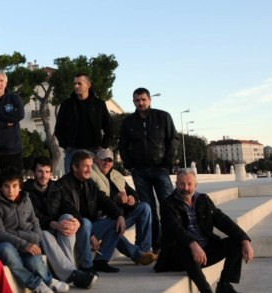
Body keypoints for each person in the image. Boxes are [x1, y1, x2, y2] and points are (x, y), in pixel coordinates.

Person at [155, 169, 254, 293]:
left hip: (204, 251)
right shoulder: (168, 204)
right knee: (185, 250)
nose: (186, 188)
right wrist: (193, 244)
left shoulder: (203, 200)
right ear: (176, 184)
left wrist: (245, 240)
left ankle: (224, 287)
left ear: (196, 185)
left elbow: (222, 220)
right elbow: (175, 230)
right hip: (178, 256)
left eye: (189, 184)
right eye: (182, 184)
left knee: (236, 243)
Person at [0, 168, 70, 293]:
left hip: (24, 241)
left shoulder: (26, 199)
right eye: (6, 186)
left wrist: (35, 239)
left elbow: (34, 221)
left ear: (20, 187)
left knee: (34, 260)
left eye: (14, 186)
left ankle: (49, 281)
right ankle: (35, 284)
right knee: (8, 251)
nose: (11, 190)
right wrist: (25, 244)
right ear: (1, 187)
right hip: (0, 244)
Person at [119, 88, 179, 252]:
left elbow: (173, 140)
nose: (141, 103)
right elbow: (123, 145)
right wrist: (130, 165)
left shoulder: (163, 116)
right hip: (139, 171)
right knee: (149, 209)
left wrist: (167, 163)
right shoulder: (128, 122)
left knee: (169, 207)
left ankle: (172, 243)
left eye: (143, 99)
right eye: (137, 100)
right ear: (133, 102)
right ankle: (156, 245)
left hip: (160, 168)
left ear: (150, 100)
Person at [24, 157, 97, 288]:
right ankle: (73, 273)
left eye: (47, 172)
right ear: (34, 172)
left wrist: (76, 221)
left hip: (58, 229)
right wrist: (54, 224)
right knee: (44, 234)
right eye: (40, 171)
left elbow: (69, 207)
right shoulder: (26, 191)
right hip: (40, 230)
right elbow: (34, 216)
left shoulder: (57, 188)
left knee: (68, 217)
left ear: (51, 174)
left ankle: (71, 273)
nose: (43, 176)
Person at [55, 150, 125, 273]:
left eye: (91, 166)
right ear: (75, 167)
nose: (89, 170)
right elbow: (71, 211)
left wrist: (119, 215)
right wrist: (91, 235)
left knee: (115, 222)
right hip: (73, 230)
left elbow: (104, 200)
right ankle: (86, 266)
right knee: (86, 223)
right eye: (86, 166)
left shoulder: (89, 183)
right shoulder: (63, 185)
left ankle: (101, 261)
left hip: (89, 227)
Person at [90, 148, 156, 266]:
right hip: (105, 218)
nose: (107, 163)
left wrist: (132, 200)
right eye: (104, 160)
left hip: (121, 215)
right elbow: (100, 201)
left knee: (144, 207)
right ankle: (138, 255)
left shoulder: (116, 175)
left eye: (110, 160)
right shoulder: (91, 177)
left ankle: (145, 251)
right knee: (115, 225)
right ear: (95, 160)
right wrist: (116, 199)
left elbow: (133, 193)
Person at [54, 74, 113, 174]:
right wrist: (66, 145)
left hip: (94, 151)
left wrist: (103, 145)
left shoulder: (99, 104)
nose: (76, 86)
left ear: (88, 85)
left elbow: (109, 126)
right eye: (74, 84)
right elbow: (59, 128)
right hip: (73, 151)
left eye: (79, 83)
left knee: (95, 181)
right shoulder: (66, 105)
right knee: (71, 181)